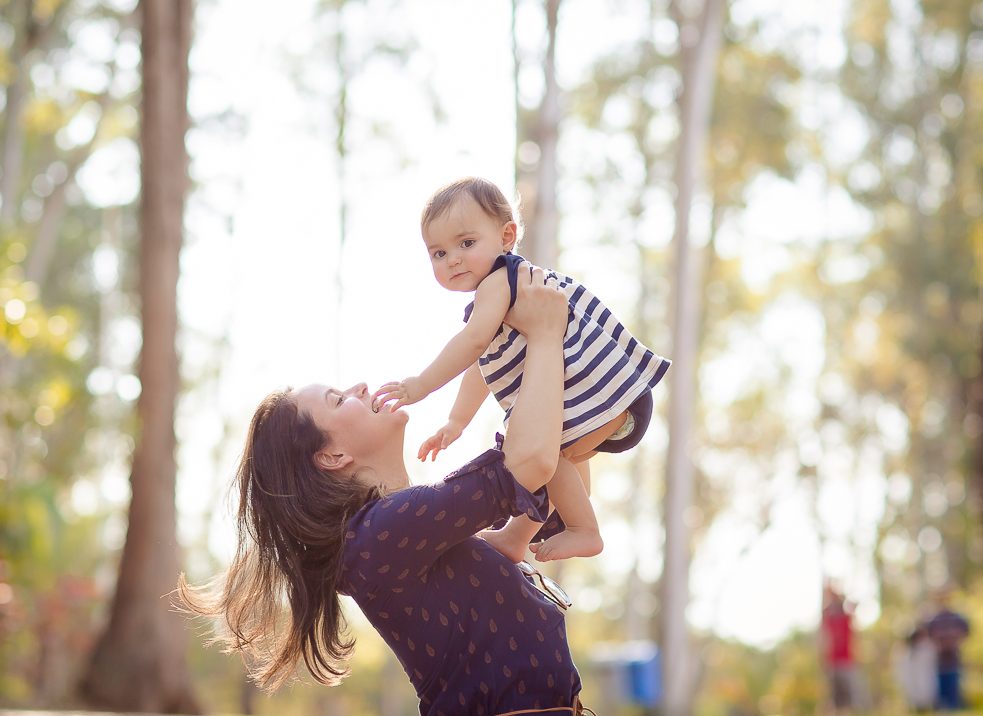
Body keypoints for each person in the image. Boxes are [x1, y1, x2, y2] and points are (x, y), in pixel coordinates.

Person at [180, 268, 594, 715]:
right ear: (333, 456)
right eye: (339, 399)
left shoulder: (401, 532)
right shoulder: (382, 534)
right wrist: (547, 334)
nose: (359, 386)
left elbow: (552, 472)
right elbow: (531, 463)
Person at [375, 177, 671, 562]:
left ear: (506, 236)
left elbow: (473, 344)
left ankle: (582, 529)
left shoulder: (499, 281)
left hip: (602, 398)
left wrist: (421, 385)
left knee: (552, 454)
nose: (453, 259)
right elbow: (483, 364)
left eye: (466, 243)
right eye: (438, 253)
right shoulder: (505, 295)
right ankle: (535, 532)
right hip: (610, 401)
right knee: (560, 460)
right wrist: (456, 421)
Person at [926, 593, 970, 710]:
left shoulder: (956, 618)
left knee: (954, 690)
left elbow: (966, 632)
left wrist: (956, 641)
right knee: (941, 693)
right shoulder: (934, 620)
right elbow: (928, 637)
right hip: (939, 661)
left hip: (954, 659)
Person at [819, 585, 860, 712]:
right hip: (833, 661)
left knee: (849, 694)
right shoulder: (828, 618)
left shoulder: (846, 618)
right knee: (834, 695)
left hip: (847, 660)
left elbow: (854, 605)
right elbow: (823, 639)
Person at [895, 626, 937, 711]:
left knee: (926, 693)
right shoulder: (903, 651)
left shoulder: (926, 648)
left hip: (925, 680)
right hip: (912, 682)